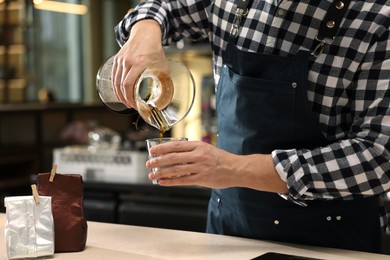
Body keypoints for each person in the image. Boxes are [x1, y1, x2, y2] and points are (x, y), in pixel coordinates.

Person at [111, 0, 390, 254]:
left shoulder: (377, 17)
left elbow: (380, 158)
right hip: (227, 233)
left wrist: (231, 169)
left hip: (331, 241)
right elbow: (163, 7)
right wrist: (145, 31)